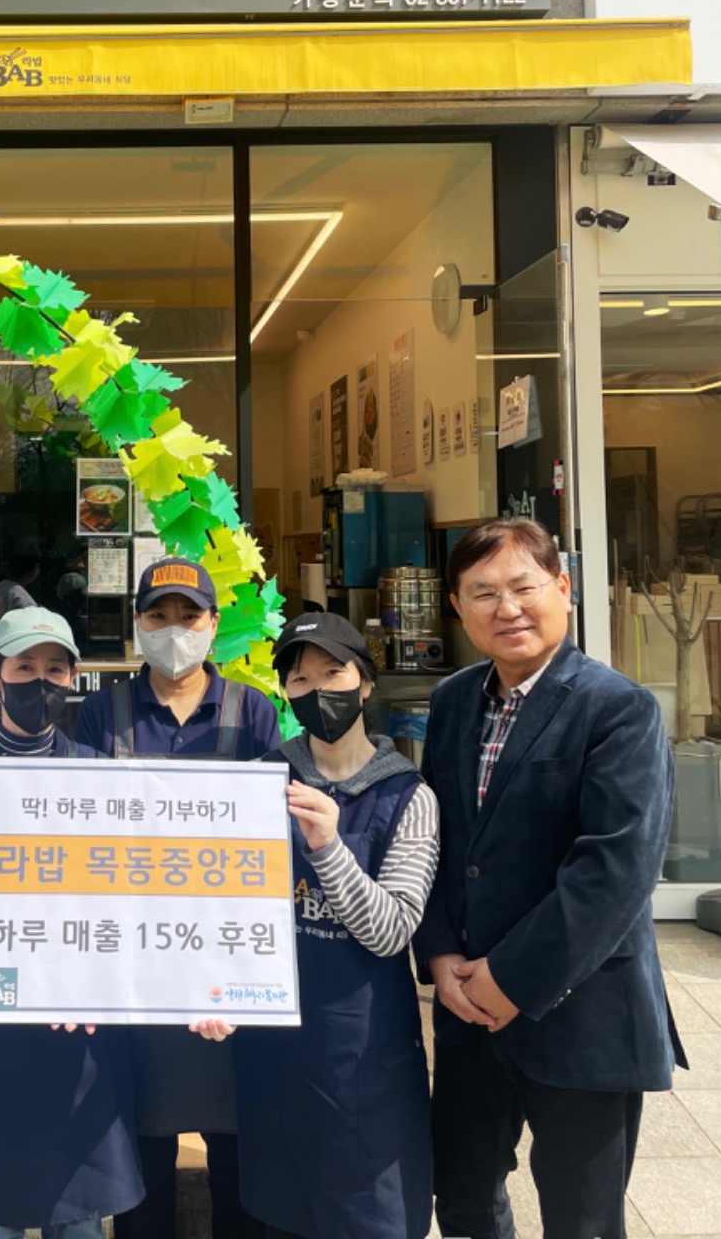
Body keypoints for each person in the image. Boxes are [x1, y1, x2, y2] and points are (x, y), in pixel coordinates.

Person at [416, 517, 684, 1239]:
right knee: (463, 1200)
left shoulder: (617, 708)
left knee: (582, 1218)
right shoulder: (452, 702)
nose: (506, 609)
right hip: (466, 1007)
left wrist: (508, 979)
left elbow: (614, 872)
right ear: (457, 607)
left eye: (523, 587)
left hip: (582, 1009)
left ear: (563, 588)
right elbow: (435, 839)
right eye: (482, 593)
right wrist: (439, 955)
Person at [0, 607, 143, 1239]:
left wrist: (104, 975)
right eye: (24, 667)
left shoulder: (99, 774)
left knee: (81, 1213)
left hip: (84, 1025)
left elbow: (128, 896)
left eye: (54, 669)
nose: (40, 682)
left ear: (73, 678)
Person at [74, 557, 281, 1239]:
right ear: (137, 624)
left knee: (239, 1153)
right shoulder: (101, 713)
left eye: (188, 616)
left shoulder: (251, 712)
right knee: (141, 1155)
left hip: (226, 966)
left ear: (213, 624)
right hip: (134, 970)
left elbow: (271, 845)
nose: (173, 630)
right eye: (157, 616)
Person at [225, 611, 436, 1239]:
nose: (317, 690)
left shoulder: (409, 796)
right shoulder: (259, 782)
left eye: (333, 672)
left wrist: (327, 847)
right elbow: (225, 909)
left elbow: (392, 930)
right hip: (274, 1050)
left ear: (365, 682)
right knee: (282, 1211)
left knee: (369, 1216)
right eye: (299, 679)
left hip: (365, 1055)